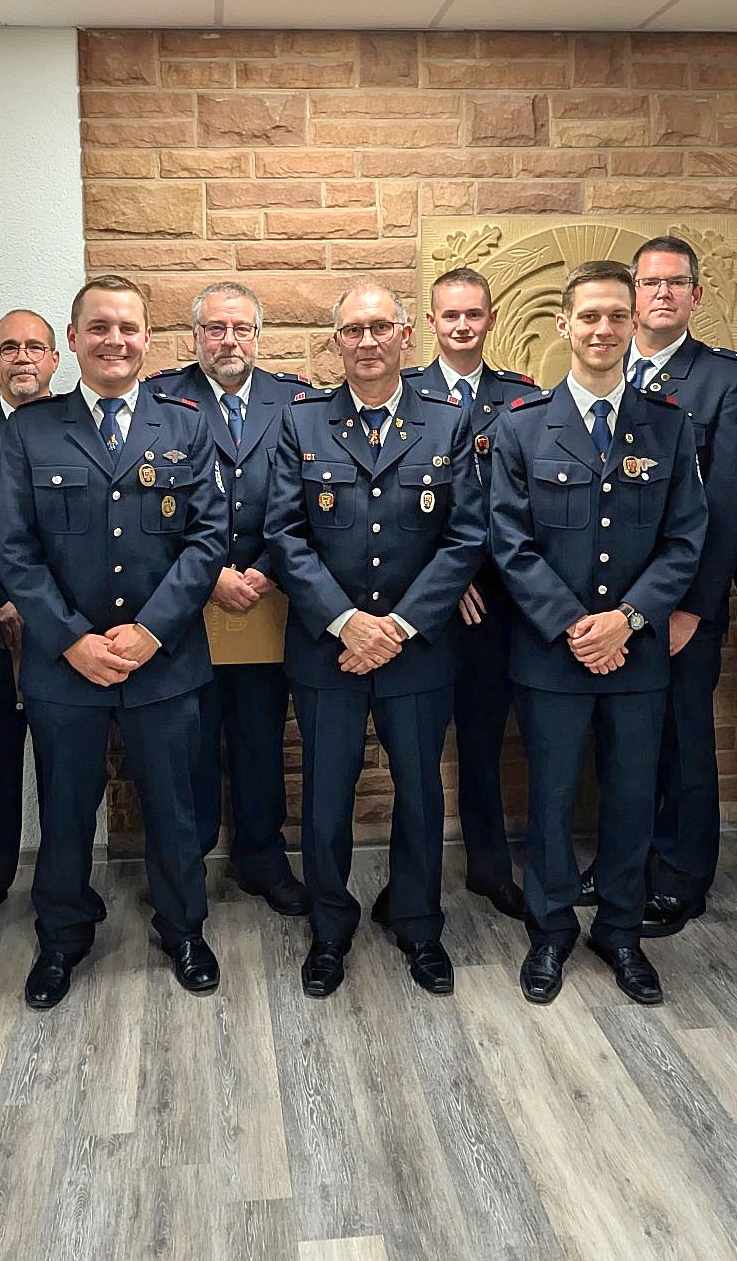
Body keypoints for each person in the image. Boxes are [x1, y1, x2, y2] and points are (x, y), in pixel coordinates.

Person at [0, 274, 227, 1010]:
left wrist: (152, 631)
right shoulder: (29, 430)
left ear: (147, 339)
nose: (114, 341)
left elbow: (207, 538)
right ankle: (61, 939)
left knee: (174, 808)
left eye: (128, 328)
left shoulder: (186, 422)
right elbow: (13, 551)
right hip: (68, 669)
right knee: (65, 811)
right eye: (99, 328)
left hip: (165, 664)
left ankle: (183, 929)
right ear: (73, 340)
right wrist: (71, 641)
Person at [488, 261, 704, 1006]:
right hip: (552, 654)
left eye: (618, 315)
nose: (604, 330)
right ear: (564, 326)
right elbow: (508, 543)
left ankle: (619, 931)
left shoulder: (669, 425)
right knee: (548, 800)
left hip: (636, 654)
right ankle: (549, 932)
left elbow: (685, 539)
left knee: (629, 798)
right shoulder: (521, 427)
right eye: (589, 317)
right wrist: (577, 625)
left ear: (634, 323)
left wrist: (627, 619)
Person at [265, 278, 487, 999]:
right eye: (353, 330)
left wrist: (394, 625)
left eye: (380, 328)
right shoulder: (300, 424)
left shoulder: (449, 422)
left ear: (404, 336)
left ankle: (419, 924)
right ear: (336, 342)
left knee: (421, 794)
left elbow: (465, 538)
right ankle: (330, 928)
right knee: (325, 798)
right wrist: (346, 622)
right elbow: (285, 535)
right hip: (327, 649)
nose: (367, 341)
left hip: (417, 649)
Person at [620, 236, 737, 934]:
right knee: (622, 740)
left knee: (681, 741)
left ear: (696, 296)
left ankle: (680, 878)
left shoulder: (725, 381)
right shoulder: (601, 366)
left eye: (675, 283)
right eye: (648, 282)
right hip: (610, 606)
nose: (660, 294)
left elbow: (731, 505)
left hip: (680, 605)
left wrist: (692, 608)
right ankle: (626, 862)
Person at [148, 282, 312, 917]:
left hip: (270, 601)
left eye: (241, 329)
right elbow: (147, 513)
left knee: (261, 737)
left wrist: (268, 568)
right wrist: (212, 573)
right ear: (195, 337)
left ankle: (262, 859)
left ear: (258, 335)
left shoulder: (296, 400)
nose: (229, 341)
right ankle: (185, 867)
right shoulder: (164, 399)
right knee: (187, 740)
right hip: (186, 601)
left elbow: (303, 499)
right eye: (215, 329)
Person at [401, 266, 533, 921]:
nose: (461, 326)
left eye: (473, 314)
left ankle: (488, 866)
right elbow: (391, 511)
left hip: (496, 604)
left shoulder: (520, 398)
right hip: (422, 603)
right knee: (416, 750)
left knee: (484, 742)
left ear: (490, 319)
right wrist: (446, 585)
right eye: (449, 315)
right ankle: (410, 884)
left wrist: (474, 581)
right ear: (431, 321)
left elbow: (517, 501)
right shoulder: (400, 394)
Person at [0, 309, 60, 930]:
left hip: (60, 630)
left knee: (66, 770)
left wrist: (42, 606)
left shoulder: (75, 425)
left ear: (56, 359)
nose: (23, 357)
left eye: (35, 347)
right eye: (9, 348)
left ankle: (62, 880)